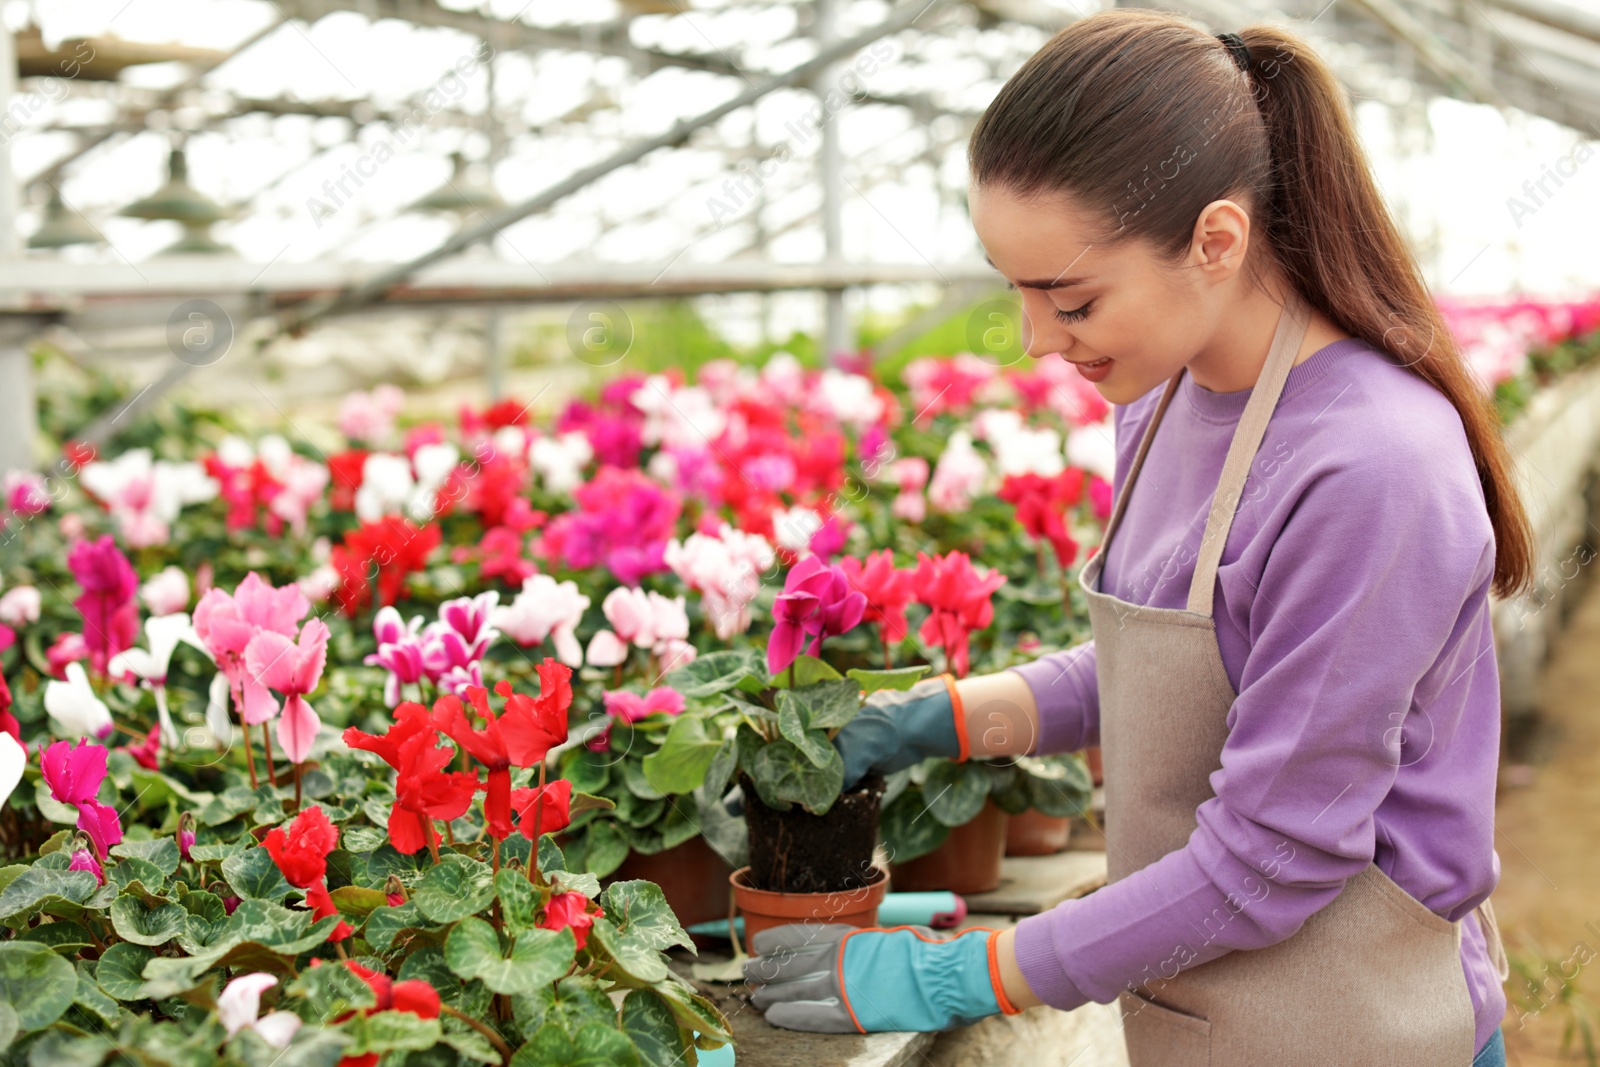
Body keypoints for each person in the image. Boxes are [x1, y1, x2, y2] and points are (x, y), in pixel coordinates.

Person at [741, 10, 1531, 1066]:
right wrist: (923, 720)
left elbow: (1267, 862)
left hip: (1356, 1027)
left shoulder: (1371, 468)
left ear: (1215, 239)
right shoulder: (1159, 400)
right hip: (1206, 1017)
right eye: (1015, 287)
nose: (1033, 337)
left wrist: (960, 973)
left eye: (1069, 298)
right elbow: (1182, 670)